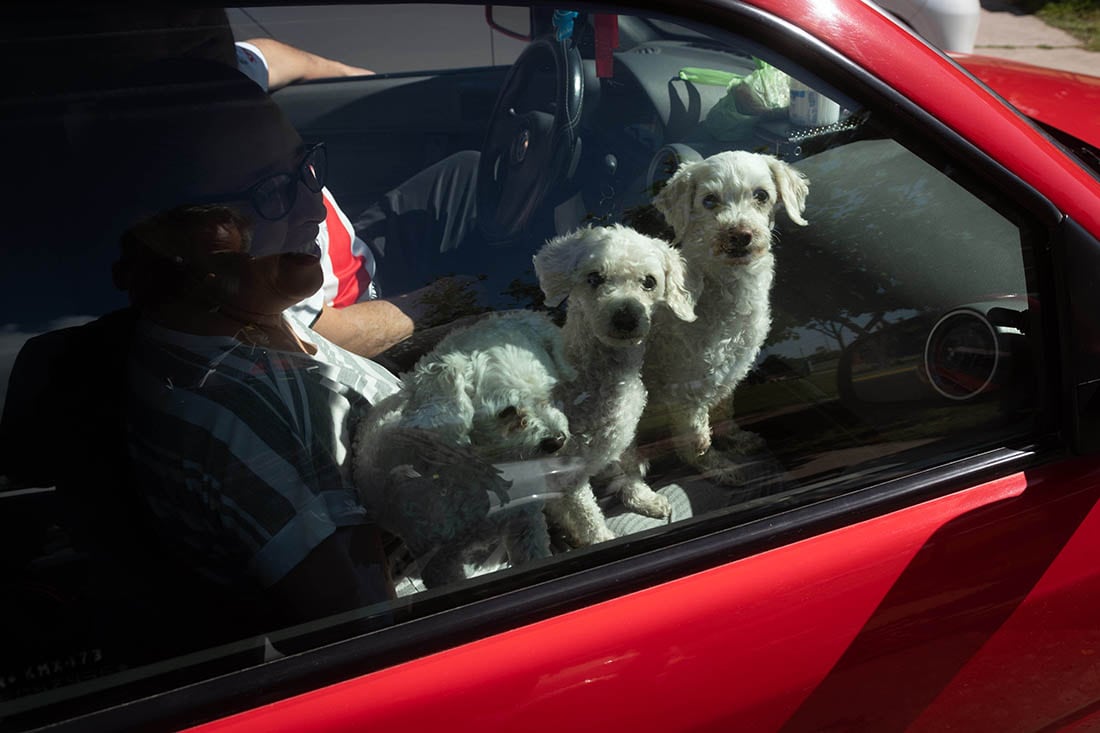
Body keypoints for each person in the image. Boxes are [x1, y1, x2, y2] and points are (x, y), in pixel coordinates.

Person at [72, 60, 404, 638]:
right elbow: (370, 627)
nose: (312, 206)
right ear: (185, 241)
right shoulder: (252, 410)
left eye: (305, 169)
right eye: (273, 191)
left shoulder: (222, 323)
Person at [232, 35, 485, 364]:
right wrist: (457, 295)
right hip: (352, 316)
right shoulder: (240, 227)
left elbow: (264, 56)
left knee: (467, 171)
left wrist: (354, 77)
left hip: (357, 257)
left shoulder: (221, 83)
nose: (316, 206)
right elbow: (322, 339)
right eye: (279, 191)